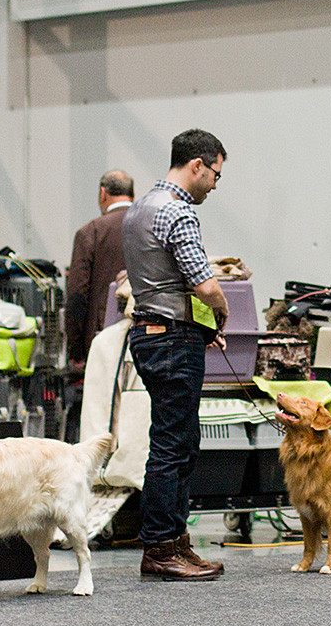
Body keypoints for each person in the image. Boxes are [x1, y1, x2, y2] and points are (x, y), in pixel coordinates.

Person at [121, 129, 229, 581]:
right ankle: (162, 548)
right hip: (172, 340)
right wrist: (220, 315)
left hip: (149, 333)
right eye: (215, 174)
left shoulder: (138, 208)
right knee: (174, 445)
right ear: (197, 165)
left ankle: (174, 544)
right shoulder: (179, 211)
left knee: (176, 441)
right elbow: (204, 283)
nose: (215, 185)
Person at [65, 170, 135, 368]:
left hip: (103, 339)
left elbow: (77, 295)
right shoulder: (154, 226)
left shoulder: (90, 233)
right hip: (152, 338)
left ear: (103, 194)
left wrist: (75, 350)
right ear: (133, 194)